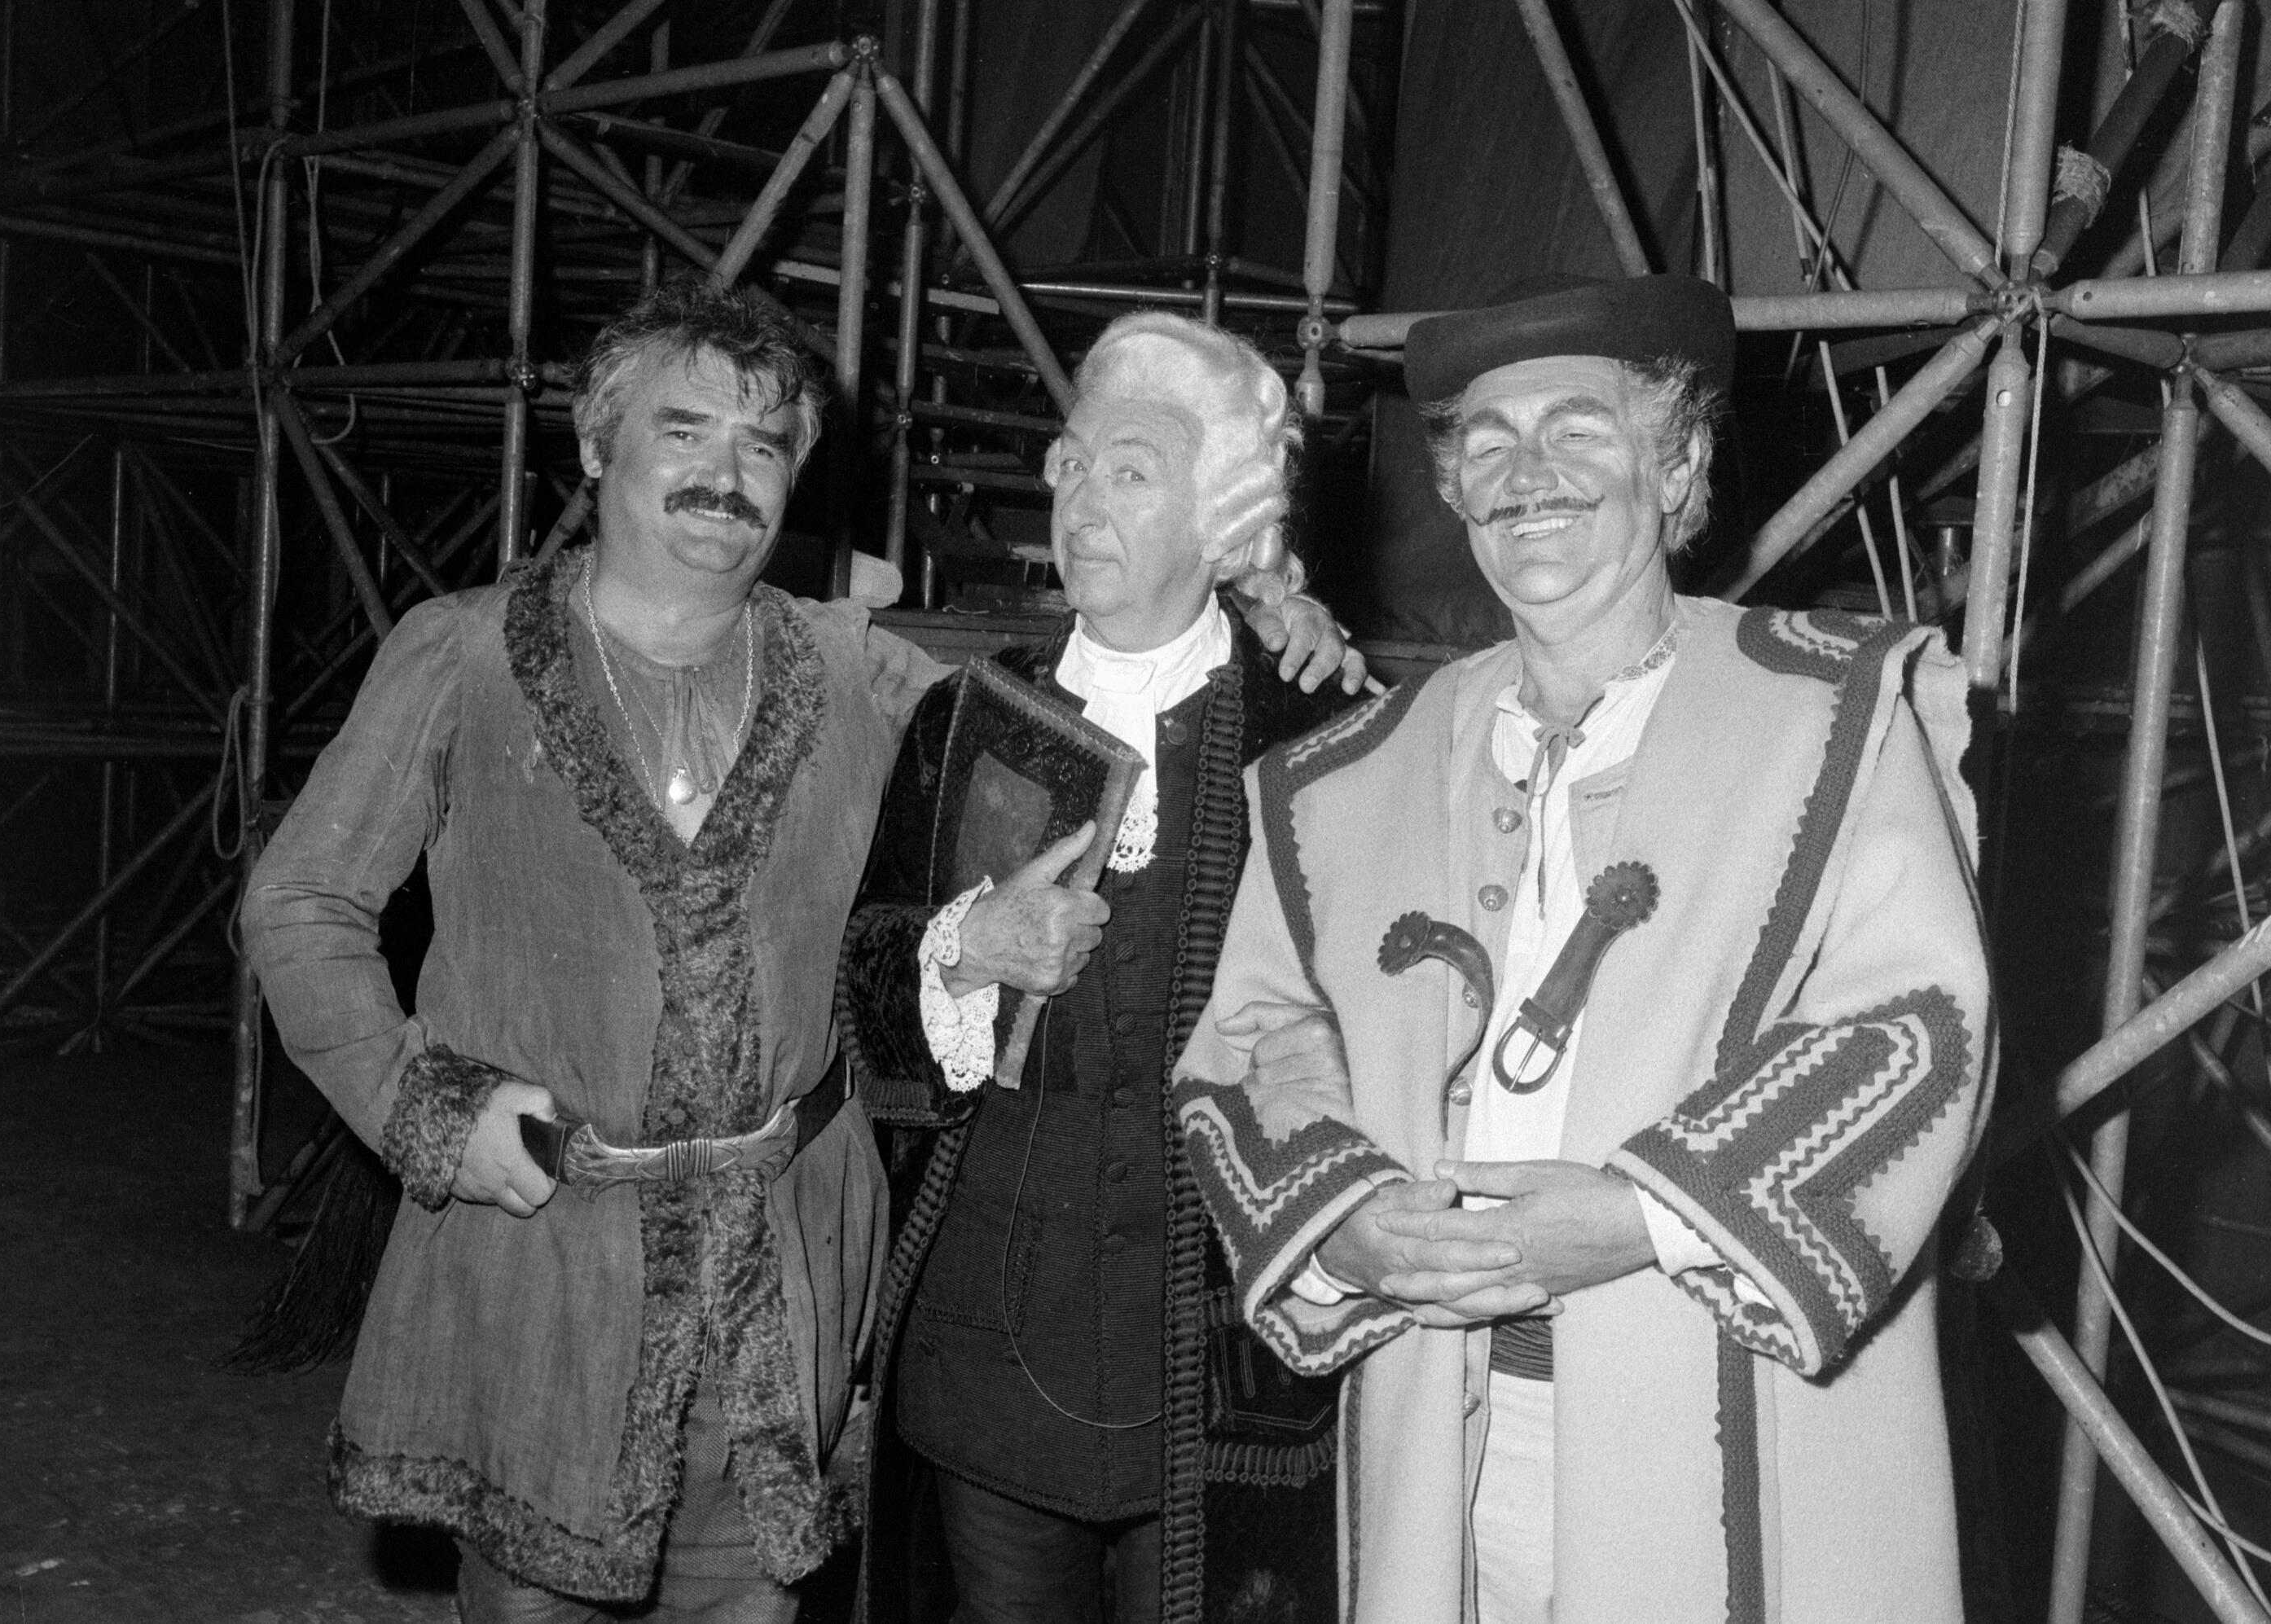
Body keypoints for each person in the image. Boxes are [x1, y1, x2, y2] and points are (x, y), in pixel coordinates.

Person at [243, 279, 1360, 1623]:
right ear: (595, 445)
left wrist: (1270, 610)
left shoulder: (859, 673)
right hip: (539, 1279)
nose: (725, 475)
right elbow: (299, 904)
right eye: (684, 431)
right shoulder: (462, 657)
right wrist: (425, 1109)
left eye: (764, 445)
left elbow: (1095, 688)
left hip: (779, 1298)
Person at [1171, 274, 1992, 1623]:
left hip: (1737, 1422)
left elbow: (1917, 1030)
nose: (1526, 474)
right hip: (1448, 1436)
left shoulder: (1832, 714)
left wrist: (1640, 1217)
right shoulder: (1342, 777)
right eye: (1487, 442)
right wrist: (1347, 1224)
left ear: (1677, 467)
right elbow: (1255, 1043)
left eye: (1579, 429)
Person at [840, 312, 1355, 1624]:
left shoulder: (1323, 730)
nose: (1080, 500)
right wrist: (967, 949)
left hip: (1226, 1358)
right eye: (1072, 465)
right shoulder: (968, 718)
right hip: (991, 1343)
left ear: (1224, 515)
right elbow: (863, 990)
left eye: (1132, 471)